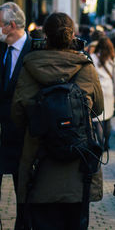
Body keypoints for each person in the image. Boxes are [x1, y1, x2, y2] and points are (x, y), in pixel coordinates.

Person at [11, 12, 104, 229]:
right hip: (78, 167)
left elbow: (17, 114)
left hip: (39, 165)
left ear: (45, 36)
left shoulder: (29, 65)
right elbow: (98, 108)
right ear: (72, 36)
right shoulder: (85, 67)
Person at [0, 2, 32, 230]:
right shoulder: (1, 49)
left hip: (23, 137)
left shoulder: (35, 51)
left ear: (11, 25)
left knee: (24, 190)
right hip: (0, 134)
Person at [92, 36, 115, 151]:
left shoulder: (94, 57)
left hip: (98, 90)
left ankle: (99, 144)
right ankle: (106, 144)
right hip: (109, 90)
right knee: (108, 118)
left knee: (98, 119)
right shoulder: (114, 59)